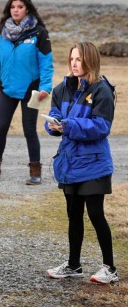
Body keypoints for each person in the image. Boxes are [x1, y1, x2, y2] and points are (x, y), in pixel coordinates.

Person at [45, 42, 119, 284]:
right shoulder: (62, 88)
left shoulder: (102, 90)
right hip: (69, 162)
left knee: (96, 213)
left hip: (94, 163)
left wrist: (68, 125)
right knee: (73, 214)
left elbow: (101, 126)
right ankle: (74, 265)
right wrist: (53, 125)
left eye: (79, 59)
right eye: (72, 59)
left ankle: (110, 268)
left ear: (90, 61)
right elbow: (55, 115)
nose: (74, 64)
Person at [0, 0, 54, 185]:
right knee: (0, 128)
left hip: (30, 90)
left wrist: (46, 87)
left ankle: (35, 171)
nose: (16, 10)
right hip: (7, 89)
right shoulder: (1, 32)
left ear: (27, 9)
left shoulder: (39, 33)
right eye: (13, 6)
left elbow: (46, 62)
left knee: (29, 130)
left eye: (20, 7)